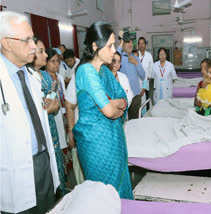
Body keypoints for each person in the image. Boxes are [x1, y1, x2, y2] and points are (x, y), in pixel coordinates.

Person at [0, 11, 59, 214]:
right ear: (6, 43)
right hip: (13, 170)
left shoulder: (32, 75)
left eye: (32, 39)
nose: (34, 46)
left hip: (43, 161)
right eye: (26, 40)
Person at [73, 21, 133, 199]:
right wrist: (114, 106)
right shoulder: (86, 71)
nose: (114, 50)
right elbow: (109, 111)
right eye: (110, 45)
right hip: (96, 144)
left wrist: (116, 104)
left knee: (119, 190)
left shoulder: (105, 72)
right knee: (104, 195)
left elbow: (123, 99)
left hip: (114, 141)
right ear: (95, 46)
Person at [43, 48, 68, 196]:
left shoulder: (58, 76)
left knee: (63, 148)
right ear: (46, 63)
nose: (56, 64)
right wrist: (53, 89)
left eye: (57, 61)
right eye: (52, 61)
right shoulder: (44, 78)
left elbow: (63, 96)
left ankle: (64, 177)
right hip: (51, 116)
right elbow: (47, 102)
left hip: (61, 114)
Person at [117, 31, 145, 119]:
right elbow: (113, 59)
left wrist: (136, 63)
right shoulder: (119, 58)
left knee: (135, 121)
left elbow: (143, 75)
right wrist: (120, 43)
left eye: (131, 42)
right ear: (123, 45)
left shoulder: (136, 58)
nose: (130, 44)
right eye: (127, 42)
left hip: (136, 95)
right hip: (123, 96)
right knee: (122, 121)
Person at [138, 37, 154, 105]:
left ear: (145, 44)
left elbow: (151, 69)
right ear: (138, 45)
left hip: (146, 82)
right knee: (137, 101)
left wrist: (147, 77)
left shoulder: (149, 55)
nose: (141, 45)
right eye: (140, 43)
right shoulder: (135, 54)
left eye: (143, 43)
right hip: (137, 82)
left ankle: (145, 115)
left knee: (146, 101)